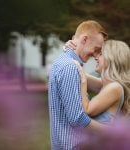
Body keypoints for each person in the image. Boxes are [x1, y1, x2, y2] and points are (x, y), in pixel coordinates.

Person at [48, 20, 108, 150]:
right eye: (96, 49)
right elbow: (77, 118)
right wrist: (109, 131)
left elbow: (100, 86)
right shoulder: (70, 67)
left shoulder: (64, 62)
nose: (95, 55)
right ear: (84, 39)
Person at [66, 40, 130, 124]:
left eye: (101, 54)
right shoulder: (108, 85)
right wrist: (71, 49)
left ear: (111, 59)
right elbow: (79, 73)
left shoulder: (114, 87)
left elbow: (87, 110)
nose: (95, 57)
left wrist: (84, 82)